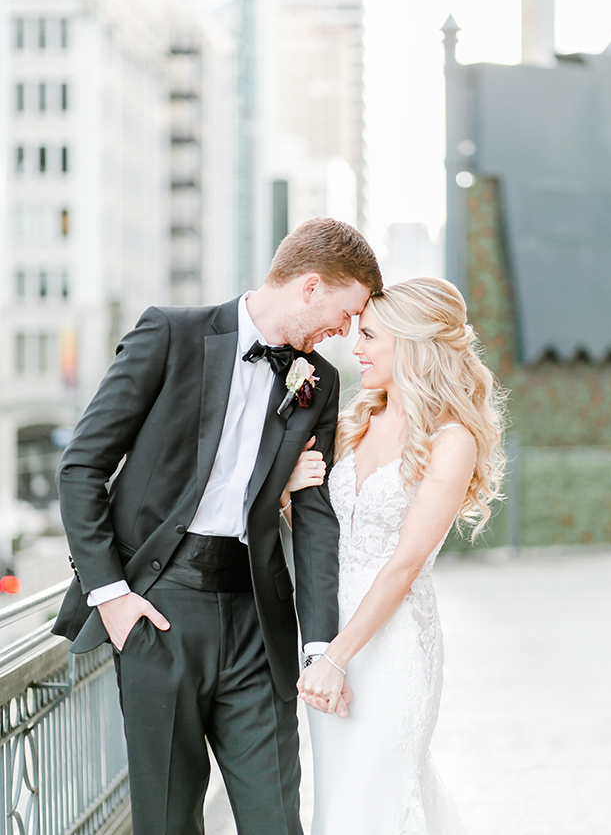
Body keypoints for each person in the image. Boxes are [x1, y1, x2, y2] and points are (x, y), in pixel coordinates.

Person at [53, 217, 382, 835]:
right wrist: (112, 596)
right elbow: (81, 466)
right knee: (169, 818)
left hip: (258, 621)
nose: (346, 330)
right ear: (310, 287)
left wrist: (318, 647)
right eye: (346, 312)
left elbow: (314, 519)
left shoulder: (320, 383)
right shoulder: (170, 334)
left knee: (275, 817)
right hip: (157, 613)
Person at [291, 277, 506, 835]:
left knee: (381, 797)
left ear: (411, 343)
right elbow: (327, 532)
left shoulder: (451, 438)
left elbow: (405, 564)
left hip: (391, 648)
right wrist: (291, 491)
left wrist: (336, 658)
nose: (354, 348)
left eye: (368, 336)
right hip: (330, 640)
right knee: (339, 803)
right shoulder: (354, 423)